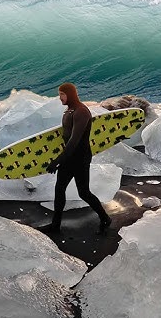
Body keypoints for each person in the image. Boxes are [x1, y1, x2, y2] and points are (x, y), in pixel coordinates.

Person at [37, 82, 112, 235]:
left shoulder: (81, 112)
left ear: (70, 94)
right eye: (59, 95)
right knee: (59, 189)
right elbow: (64, 137)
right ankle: (55, 226)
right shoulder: (69, 111)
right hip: (69, 157)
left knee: (83, 192)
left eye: (62, 95)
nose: (59, 98)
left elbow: (74, 141)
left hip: (80, 158)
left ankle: (105, 218)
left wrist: (57, 161)